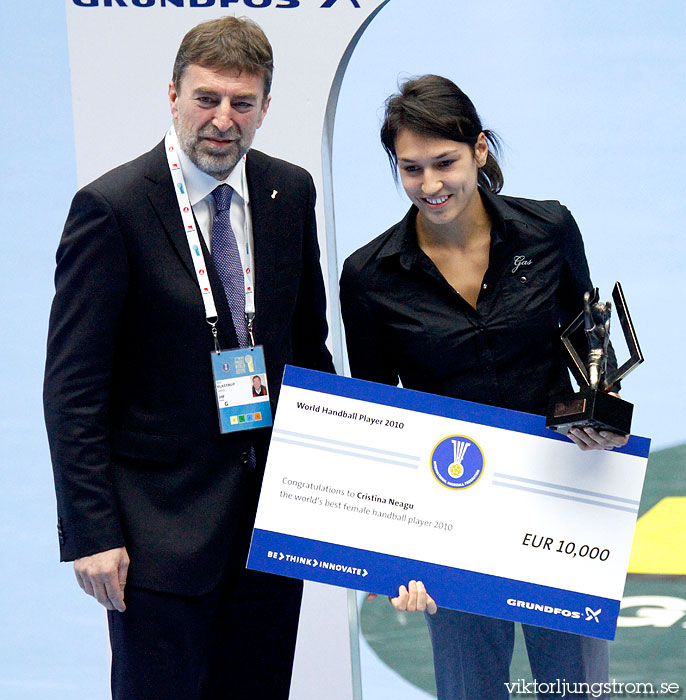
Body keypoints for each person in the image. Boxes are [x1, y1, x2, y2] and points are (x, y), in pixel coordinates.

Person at [43, 16, 334, 700]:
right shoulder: (111, 209)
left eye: (242, 102)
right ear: (172, 94)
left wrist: (338, 499)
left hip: (268, 531)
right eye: (207, 98)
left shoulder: (288, 193)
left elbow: (311, 353)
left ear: (266, 106)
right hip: (157, 541)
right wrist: (92, 533)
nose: (223, 120)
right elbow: (73, 390)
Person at [339, 75, 628, 700]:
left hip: (559, 492)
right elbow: (376, 417)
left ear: (480, 150)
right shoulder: (368, 277)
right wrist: (394, 555)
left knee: (576, 687)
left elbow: (589, 345)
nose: (431, 185)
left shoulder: (549, 230)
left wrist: (603, 413)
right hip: (452, 507)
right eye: (411, 169)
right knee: (470, 691)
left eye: (445, 162)